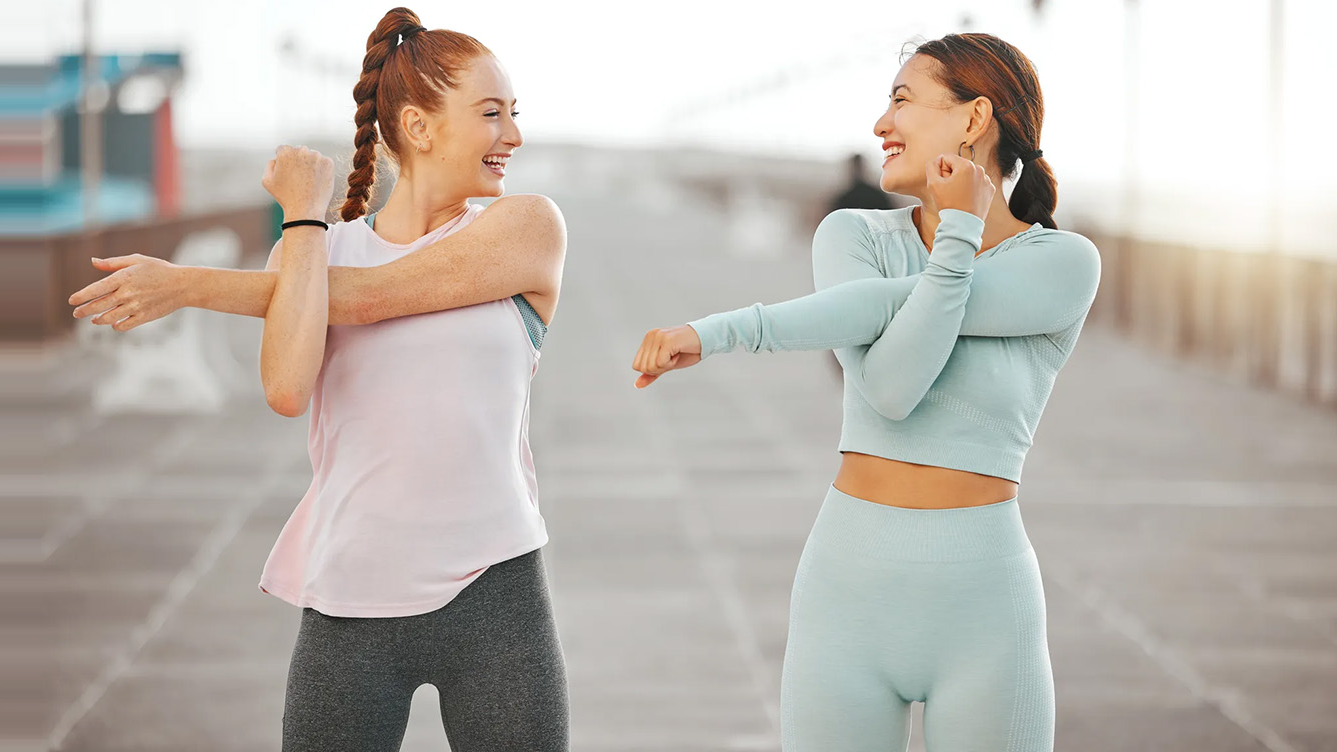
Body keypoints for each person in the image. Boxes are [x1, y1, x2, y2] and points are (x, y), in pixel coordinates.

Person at [65, 8, 569, 750]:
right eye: (492, 115)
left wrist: (190, 284)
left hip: (498, 599)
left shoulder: (527, 228)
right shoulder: (312, 252)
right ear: (420, 127)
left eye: (514, 115)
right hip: (350, 605)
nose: (514, 136)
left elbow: (370, 299)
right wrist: (303, 217)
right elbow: (286, 388)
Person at [631, 33, 1098, 751]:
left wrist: (722, 331)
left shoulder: (1062, 264)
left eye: (903, 99)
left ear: (974, 120)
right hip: (845, 595)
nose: (881, 123)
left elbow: (897, 331)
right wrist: (957, 246)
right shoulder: (851, 235)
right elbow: (889, 389)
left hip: (984, 608)